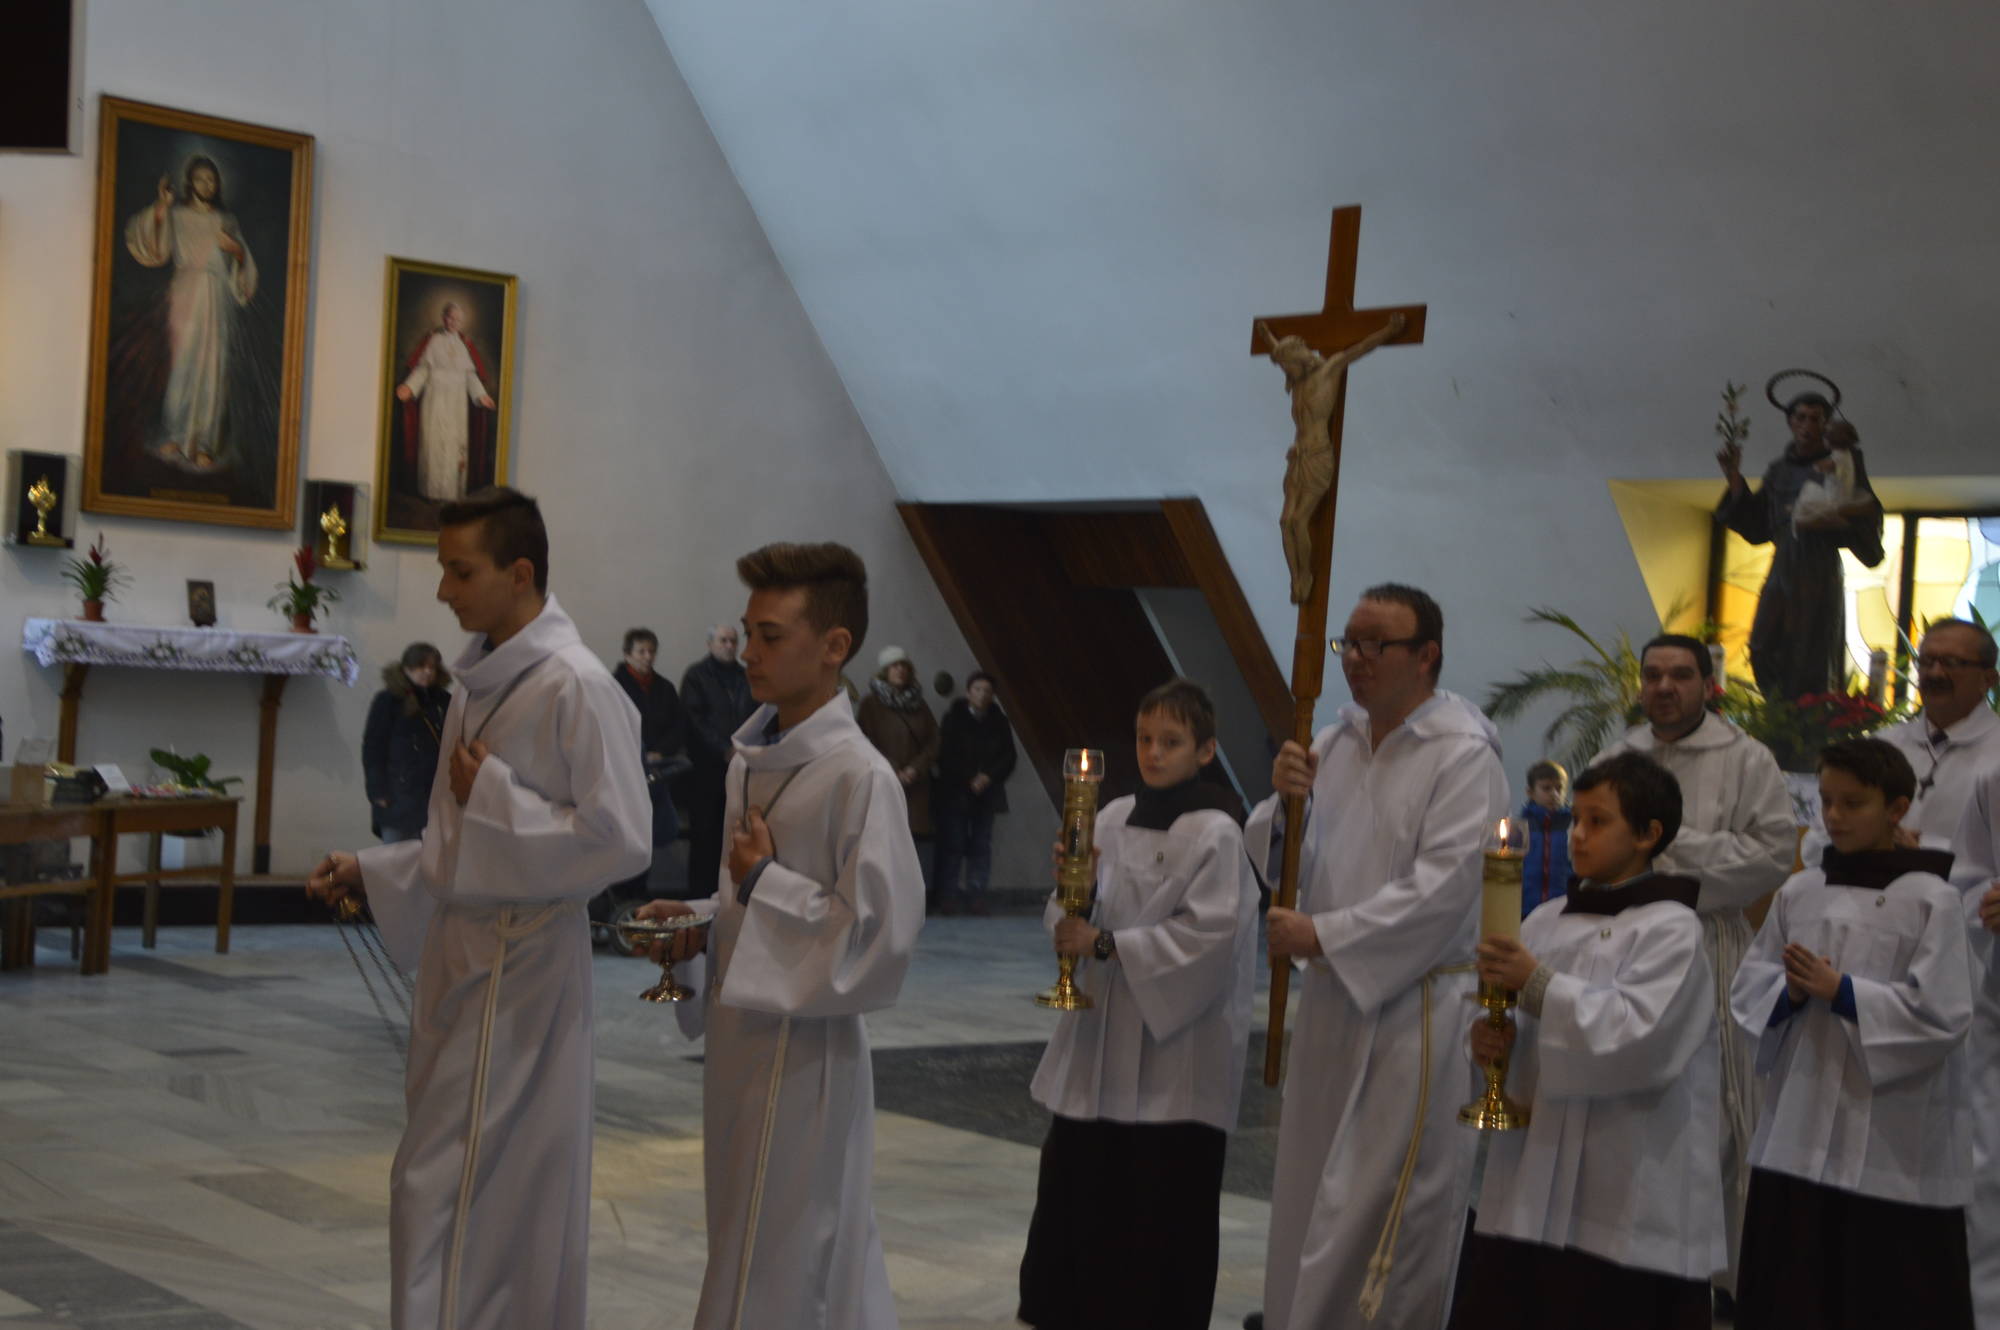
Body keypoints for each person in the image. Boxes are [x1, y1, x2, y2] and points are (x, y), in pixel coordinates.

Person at [304, 487, 651, 1330]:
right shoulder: (479, 681)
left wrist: (495, 791)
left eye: (461, 572)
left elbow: (622, 840)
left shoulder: (578, 685)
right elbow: (463, 845)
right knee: (453, 1183)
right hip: (465, 961)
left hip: (524, 970)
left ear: (520, 573)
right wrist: (375, 869)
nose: (443, 590)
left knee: (462, 1184)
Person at [635, 542, 924, 1330]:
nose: (750, 653)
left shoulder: (860, 776)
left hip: (809, 1056)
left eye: (770, 636)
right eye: (749, 633)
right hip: (740, 1044)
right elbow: (747, 899)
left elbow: (879, 941)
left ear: (834, 646)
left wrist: (765, 881)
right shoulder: (749, 760)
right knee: (746, 1239)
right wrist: (699, 925)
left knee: (799, 1258)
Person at [1249, 583, 1507, 1329]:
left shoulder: (1463, 757)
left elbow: (1443, 890)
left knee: (1385, 1206)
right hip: (1335, 1005)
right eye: (1349, 643)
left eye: (1374, 645)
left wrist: (1324, 936)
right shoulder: (1333, 744)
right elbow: (1287, 860)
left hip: (1414, 1013)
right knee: (1311, 1192)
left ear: (1426, 656)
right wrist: (1282, 807)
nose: (1355, 659)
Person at [1018, 679, 1260, 1330]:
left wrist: (1107, 944)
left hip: (1172, 1061)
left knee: (1156, 1224)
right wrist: (1076, 891)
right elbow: (1071, 913)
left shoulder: (1217, 832)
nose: (1153, 753)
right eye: (1145, 739)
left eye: (1171, 742)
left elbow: (1211, 939)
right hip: (1099, 1046)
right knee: (1078, 1205)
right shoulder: (1111, 816)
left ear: (1205, 751)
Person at [1453, 752, 1723, 1330]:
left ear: (1648, 834)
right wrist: (1490, 1042)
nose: (1577, 834)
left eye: (1598, 822)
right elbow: (1520, 1026)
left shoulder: (1672, 928)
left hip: (1623, 1185)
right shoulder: (1545, 920)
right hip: (1531, 1176)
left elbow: (1639, 1039)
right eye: (1576, 819)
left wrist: (1537, 984)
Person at [1730, 738, 1974, 1329]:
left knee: (1885, 1292)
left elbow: (1942, 1014)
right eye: (1826, 801)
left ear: (1896, 809)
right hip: (1798, 1124)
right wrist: (1789, 993)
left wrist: (1842, 991)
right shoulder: (1800, 891)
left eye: (1853, 803)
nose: (1834, 816)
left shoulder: (1931, 899)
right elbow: (1749, 987)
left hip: (1890, 1139)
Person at [1590, 633, 1795, 1310]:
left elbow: (1772, 854)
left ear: (1708, 685)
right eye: (1653, 675)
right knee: (1628, 1107)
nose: (1664, 687)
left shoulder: (1746, 758)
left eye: (1680, 675)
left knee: (1716, 1117)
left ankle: (1719, 1281)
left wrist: (1663, 851)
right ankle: (1629, 1261)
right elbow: (1592, 845)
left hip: (1709, 945)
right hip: (1624, 946)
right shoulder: (1617, 759)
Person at [1716, 393, 1884, 702]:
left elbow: (1867, 509)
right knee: (1762, 645)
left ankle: (1806, 717)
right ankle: (1779, 710)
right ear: (1790, 422)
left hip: (1818, 566)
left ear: (1825, 424)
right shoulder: (1779, 470)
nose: (1808, 425)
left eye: (1816, 418)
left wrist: (1834, 518)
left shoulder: (1843, 460)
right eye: (1801, 417)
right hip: (1783, 562)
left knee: (1810, 650)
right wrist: (1734, 478)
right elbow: (1759, 524)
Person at [123, 156, 257, 472]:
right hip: (185, 290)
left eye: (211, 179)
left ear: (217, 184)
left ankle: (204, 443)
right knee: (182, 363)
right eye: (200, 179)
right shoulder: (178, 215)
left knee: (212, 366)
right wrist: (161, 205)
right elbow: (151, 244)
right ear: (190, 183)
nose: (206, 185)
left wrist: (236, 250)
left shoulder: (226, 220)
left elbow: (243, 264)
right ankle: (176, 433)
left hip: (216, 296)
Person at [1877, 618, 2000, 845]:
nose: (1935, 673)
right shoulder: (1883, 745)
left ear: (1988, 679)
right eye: (1926, 661)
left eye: (1952, 663)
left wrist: (1927, 849)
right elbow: (1824, 834)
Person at [1956, 766, 2000, 1326]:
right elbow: (1964, 882)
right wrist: (1985, 906)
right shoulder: (1994, 784)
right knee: (1988, 1178)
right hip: (1995, 1002)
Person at [395, 302, 499, 502]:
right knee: (433, 444)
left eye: (457, 319)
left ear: (461, 322)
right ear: (443, 318)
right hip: (434, 399)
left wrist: (481, 396)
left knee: (454, 445)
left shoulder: (464, 345)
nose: (453, 322)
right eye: (450, 317)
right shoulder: (433, 341)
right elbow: (423, 370)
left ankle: (451, 494)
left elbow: (470, 377)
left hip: (457, 403)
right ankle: (430, 492)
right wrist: (409, 387)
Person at [611, 627, 689, 894]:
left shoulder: (664, 688)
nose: (647, 657)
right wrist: (638, 752)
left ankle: (640, 892)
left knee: (651, 834)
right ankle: (621, 895)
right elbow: (612, 726)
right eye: (641, 651)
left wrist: (660, 751)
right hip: (625, 772)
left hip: (657, 773)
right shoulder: (614, 686)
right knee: (625, 836)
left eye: (651, 651)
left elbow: (678, 725)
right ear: (627, 655)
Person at [681, 623, 756, 896]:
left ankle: (731, 898)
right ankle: (700, 900)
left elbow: (759, 715)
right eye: (723, 640)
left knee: (737, 836)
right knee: (705, 838)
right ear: (710, 644)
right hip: (707, 771)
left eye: (733, 641)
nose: (729, 646)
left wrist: (745, 749)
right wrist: (725, 749)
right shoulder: (696, 676)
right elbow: (694, 720)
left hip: (744, 768)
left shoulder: (747, 676)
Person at [934, 670, 1017, 915]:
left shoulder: (999, 721)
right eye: (978, 689)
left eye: (987, 691)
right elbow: (945, 754)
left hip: (987, 793)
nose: (982, 695)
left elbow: (1009, 756)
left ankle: (976, 895)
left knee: (981, 845)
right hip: (957, 792)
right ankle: (948, 895)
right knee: (953, 844)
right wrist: (969, 777)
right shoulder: (953, 718)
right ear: (968, 692)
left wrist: (988, 776)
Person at [362, 643, 451, 844]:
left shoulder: (444, 701)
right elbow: (373, 749)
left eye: (432, 667)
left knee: (432, 856)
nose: (427, 672)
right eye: (421, 666)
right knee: (394, 857)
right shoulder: (387, 701)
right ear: (406, 668)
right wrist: (378, 792)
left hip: (434, 795)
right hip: (396, 795)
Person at [855, 645, 941, 855]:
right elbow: (864, 742)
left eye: (904, 665)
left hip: (916, 785)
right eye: (894, 666)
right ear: (885, 671)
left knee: (913, 847)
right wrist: (893, 769)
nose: (900, 669)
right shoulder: (870, 704)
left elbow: (935, 741)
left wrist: (915, 768)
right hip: (884, 783)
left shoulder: (920, 705)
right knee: (884, 843)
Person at [1519, 759, 1572, 916]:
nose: (1554, 794)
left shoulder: (1572, 826)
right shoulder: (1522, 827)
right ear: (1530, 792)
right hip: (1526, 910)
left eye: (1559, 788)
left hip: (1563, 910)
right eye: (1546, 788)